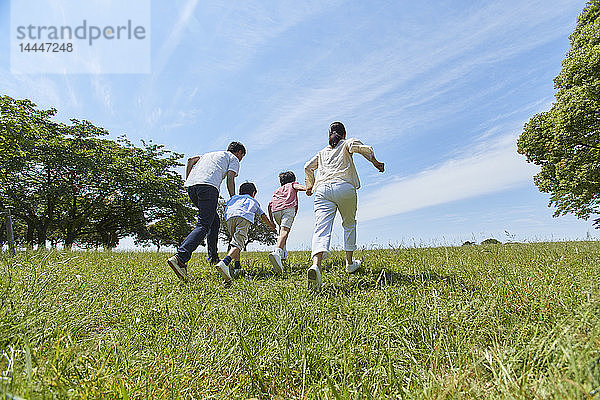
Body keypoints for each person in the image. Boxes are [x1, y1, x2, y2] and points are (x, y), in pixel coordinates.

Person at [304, 122, 385, 290]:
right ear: (344, 133)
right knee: (349, 224)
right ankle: (349, 263)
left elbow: (307, 167)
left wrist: (310, 185)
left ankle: (316, 266)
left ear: (329, 135)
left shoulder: (321, 153)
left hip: (322, 191)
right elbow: (363, 148)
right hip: (344, 187)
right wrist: (376, 163)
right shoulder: (347, 143)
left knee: (321, 228)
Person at [167, 142, 246, 282]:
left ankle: (213, 258)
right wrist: (233, 198)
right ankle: (180, 258)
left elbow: (190, 160)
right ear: (239, 152)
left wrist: (188, 181)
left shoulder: (209, 155)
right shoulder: (232, 158)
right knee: (203, 224)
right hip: (208, 187)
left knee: (214, 221)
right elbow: (230, 178)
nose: (240, 160)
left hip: (192, 187)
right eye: (242, 157)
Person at [215, 182, 277, 282]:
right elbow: (263, 216)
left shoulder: (234, 198)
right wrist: (271, 226)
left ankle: (237, 267)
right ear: (253, 193)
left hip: (229, 217)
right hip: (243, 217)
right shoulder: (253, 201)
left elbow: (226, 206)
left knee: (235, 243)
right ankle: (225, 263)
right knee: (238, 243)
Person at [267, 171, 306, 273]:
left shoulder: (278, 190)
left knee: (282, 234)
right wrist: (308, 188)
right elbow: (299, 187)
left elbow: (269, 204)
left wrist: (272, 221)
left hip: (275, 211)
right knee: (284, 232)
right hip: (287, 209)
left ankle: (282, 258)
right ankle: (277, 252)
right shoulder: (292, 185)